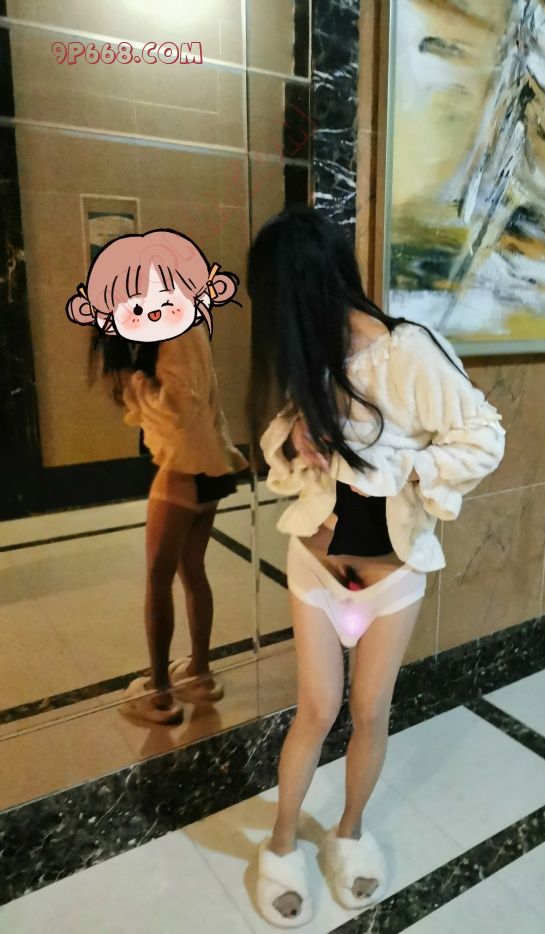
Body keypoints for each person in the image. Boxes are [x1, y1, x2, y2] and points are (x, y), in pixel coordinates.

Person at [247, 206, 505, 926]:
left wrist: (402, 470)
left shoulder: (409, 352)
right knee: (316, 709)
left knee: (370, 712)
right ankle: (280, 843)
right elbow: (281, 442)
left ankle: (350, 832)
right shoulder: (318, 357)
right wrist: (296, 441)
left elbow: (484, 436)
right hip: (315, 567)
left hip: (390, 578)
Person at [66, 229, 247, 724]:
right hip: (209, 468)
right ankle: (200, 674)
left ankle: (162, 694)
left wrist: (136, 384)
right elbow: (203, 402)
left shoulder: (169, 330)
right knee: (192, 570)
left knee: (158, 578)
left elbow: (178, 409)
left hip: (184, 469)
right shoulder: (188, 321)